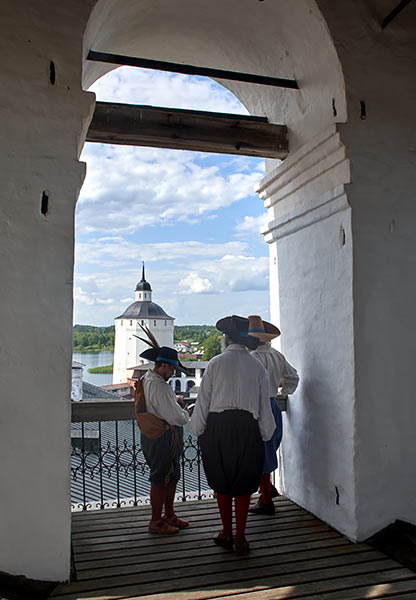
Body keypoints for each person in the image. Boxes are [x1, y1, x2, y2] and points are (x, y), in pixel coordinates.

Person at [190, 315, 275, 555]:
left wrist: (198, 429)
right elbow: (263, 404)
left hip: (219, 427)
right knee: (244, 484)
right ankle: (240, 537)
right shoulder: (257, 366)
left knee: (223, 483)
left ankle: (226, 532)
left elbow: (203, 400)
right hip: (248, 427)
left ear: (227, 338)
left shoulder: (215, 363)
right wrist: (266, 433)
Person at [248, 315, 299, 515]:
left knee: (260, 453)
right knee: (269, 450)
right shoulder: (277, 356)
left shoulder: (252, 358)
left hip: (258, 408)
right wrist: (282, 393)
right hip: (273, 405)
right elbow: (293, 377)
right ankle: (266, 492)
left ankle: (267, 500)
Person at [138, 345, 191, 535]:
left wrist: (172, 401)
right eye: (172, 369)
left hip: (153, 435)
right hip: (164, 437)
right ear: (165, 367)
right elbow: (175, 418)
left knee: (169, 476)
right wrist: (184, 413)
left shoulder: (146, 379)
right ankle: (156, 521)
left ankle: (168, 515)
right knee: (161, 478)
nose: (173, 373)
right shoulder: (161, 386)